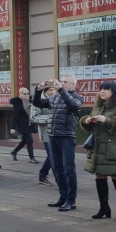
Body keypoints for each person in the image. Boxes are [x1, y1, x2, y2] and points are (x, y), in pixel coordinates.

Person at [80, 81, 116, 222]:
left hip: (115, 149)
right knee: (100, 178)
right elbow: (91, 125)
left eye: (105, 89)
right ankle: (104, 208)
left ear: (113, 91)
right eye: (101, 89)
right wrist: (87, 121)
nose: (102, 92)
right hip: (98, 149)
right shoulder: (98, 105)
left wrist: (107, 120)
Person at [33, 75, 84, 212]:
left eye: (65, 82)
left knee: (69, 169)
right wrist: (38, 91)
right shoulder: (54, 97)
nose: (61, 83)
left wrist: (62, 90)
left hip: (67, 136)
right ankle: (63, 196)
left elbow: (72, 105)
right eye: (61, 81)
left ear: (73, 85)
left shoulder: (78, 98)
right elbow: (37, 103)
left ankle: (71, 200)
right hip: (53, 135)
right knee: (57, 168)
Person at [30, 86, 58, 185]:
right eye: (50, 90)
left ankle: (42, 175)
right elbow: (34, 117)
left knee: (53, 156)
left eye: (54, 90)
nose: (52, 92)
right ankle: (60, 181)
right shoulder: (39, 101)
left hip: (57, 133)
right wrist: (51, 118)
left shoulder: (56, 99)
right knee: (53, 157)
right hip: (46, 133)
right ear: (45, 91)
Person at [9, 88, 39, 164]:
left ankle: (14, 151)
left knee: (25, 140)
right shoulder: (18, 102)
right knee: (30, 140)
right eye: (24, 94)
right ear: (20, 94)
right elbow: (15, 115)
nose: (26, 95)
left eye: (27, 93)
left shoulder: (30, 101)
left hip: (29, 123)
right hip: (22, 124)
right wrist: (13, 127)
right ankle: (32, 158)